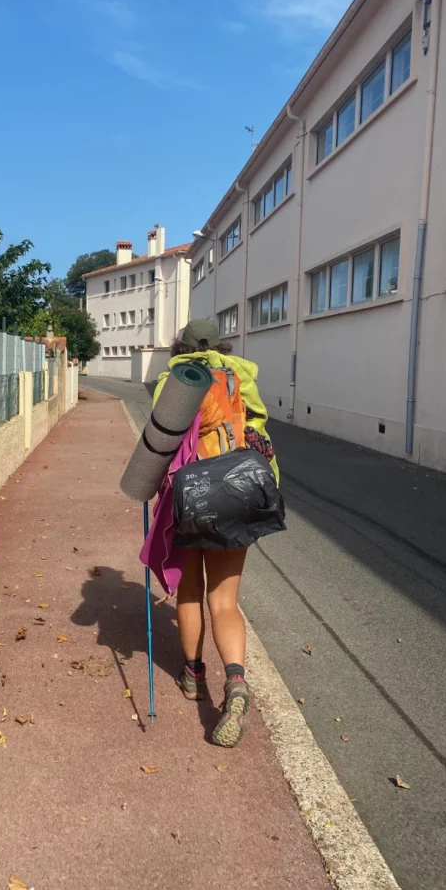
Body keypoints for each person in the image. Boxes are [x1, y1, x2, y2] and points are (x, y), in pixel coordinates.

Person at [151, 319, 279, 748]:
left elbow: (160, 441)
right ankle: (237, 682)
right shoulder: (240, 378)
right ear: (221, 346)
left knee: (190, 593)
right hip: (239, 493)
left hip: (192, 497)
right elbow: (258, 430)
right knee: (225, 602)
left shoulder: (177, 379)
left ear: (180, 348)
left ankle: (193, 677)